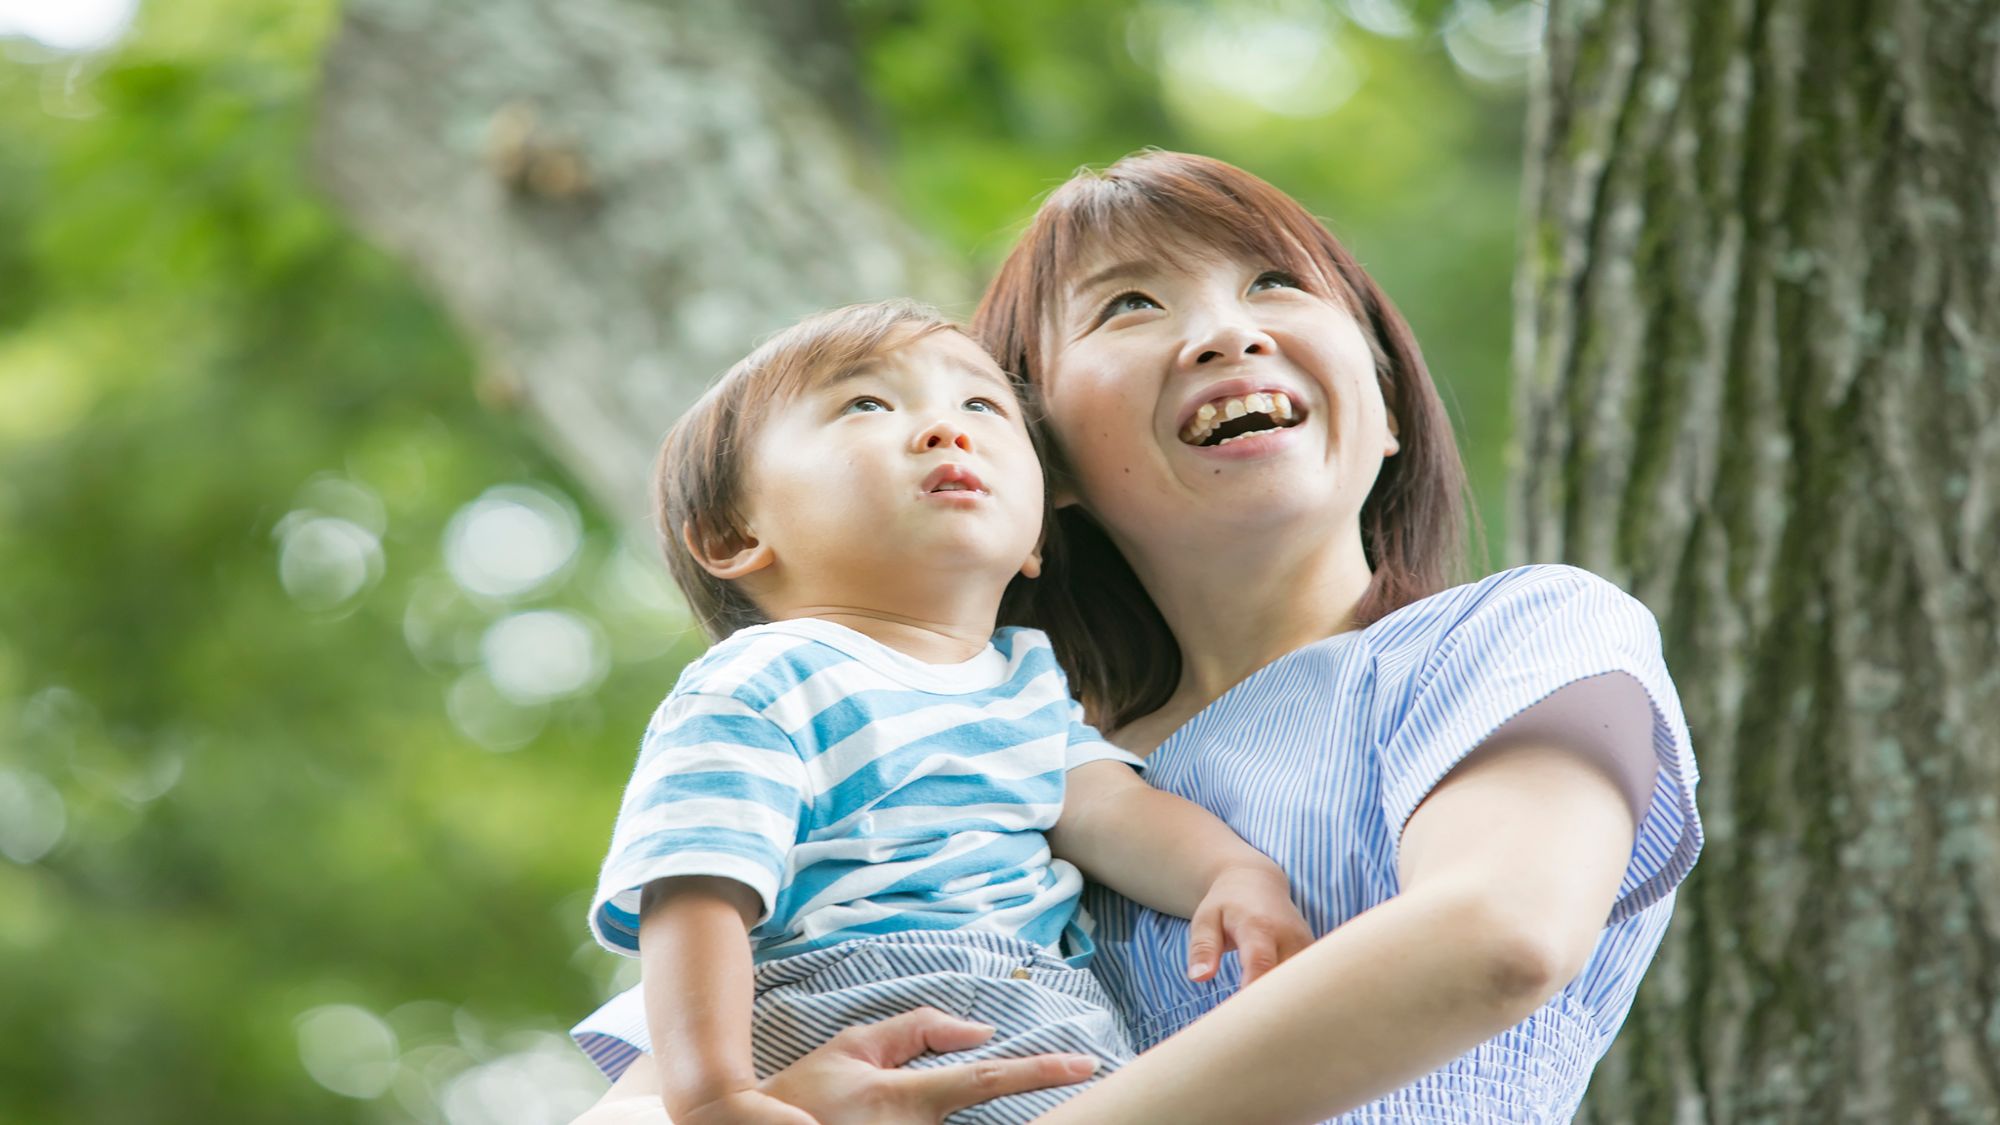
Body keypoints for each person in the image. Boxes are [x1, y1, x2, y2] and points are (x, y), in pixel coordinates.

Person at [571, 151, 1703, 1124]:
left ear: (1386, 398)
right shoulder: (971, 744)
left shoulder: (1513, 635)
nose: (1225, 333)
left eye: (1273, 283)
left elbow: (1494, 934)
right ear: (1043, 462)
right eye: (1129, 305)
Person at [577, 298, 1315, 1125]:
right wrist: (714, 1094)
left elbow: (1113, 809)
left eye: (982, 405)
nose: (943, 429)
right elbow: (695, 886)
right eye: (866, 403)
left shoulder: (1024, 682)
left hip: (1049, 1020)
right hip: (851, 1003)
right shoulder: (763, 679)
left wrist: (1230, 873)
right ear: (732, 533)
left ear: (1034, 540)